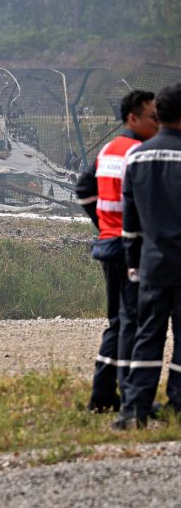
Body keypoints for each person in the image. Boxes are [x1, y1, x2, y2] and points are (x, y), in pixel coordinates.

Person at [75, 90, 158, 413]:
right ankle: (128, 396)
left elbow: (84, 188)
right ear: (132, 118)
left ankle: (103, 394)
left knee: (117, 322)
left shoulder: (110, 149)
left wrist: (103, 224)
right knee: (131, 323)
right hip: (129, 247)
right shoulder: (138, 152)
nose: (158, 123)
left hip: (109, 244)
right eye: (153, 117)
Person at [114, 84, 181, 429]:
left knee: (147, 335)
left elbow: (131, 223)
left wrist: (134, 265)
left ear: (159, 116)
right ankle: (178, 404)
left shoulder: (137, 157)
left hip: (153, 264)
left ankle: (134, 410)